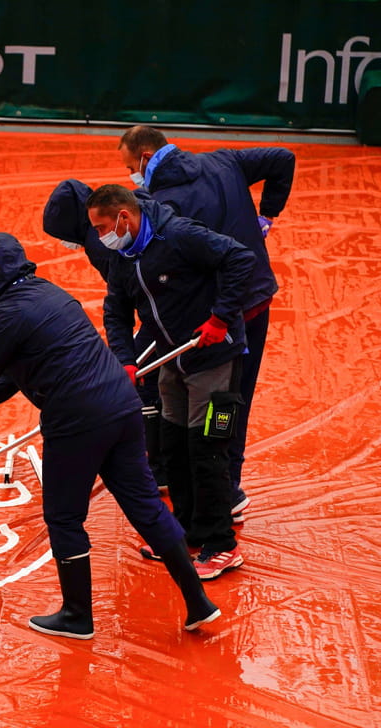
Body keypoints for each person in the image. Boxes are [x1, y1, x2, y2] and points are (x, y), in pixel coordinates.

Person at [0, 232, 219, 639]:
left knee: (64, 516)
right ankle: (198, 603)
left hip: (78, 421)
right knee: (146, 507)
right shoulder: (50, 294)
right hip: (121, 406)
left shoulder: (7, 316)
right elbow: (8, 377)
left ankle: (77, 615)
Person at [117, 126, 295, 522]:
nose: (132, 174)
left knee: (208, 406)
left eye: (131, 167)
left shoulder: (158, 204)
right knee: (232, 401)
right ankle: (224, 488)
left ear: (145, 156)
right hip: (252, 302)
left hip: (214, 319)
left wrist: (215, 315)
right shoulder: (223, 161)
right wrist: (268, 214)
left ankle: (217, 497)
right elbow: (283, 157)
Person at [87, 184, 255, 579]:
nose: (99, 236)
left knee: (208, 448)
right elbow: (116, 310)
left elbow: (240, 258)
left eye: (101, 227)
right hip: (171, 360)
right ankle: (187, 530)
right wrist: (124, 361)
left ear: (123, 218)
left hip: (213, 356)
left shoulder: (180, 235)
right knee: (174, 445)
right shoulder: (124, 257)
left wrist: (221, 317)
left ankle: (221, 544)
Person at [42, 179, 168, 492]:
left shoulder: (100, 244)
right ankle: (161, 455)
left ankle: (160, 465)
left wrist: (130, 349)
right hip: (157, 311)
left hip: (165, 316)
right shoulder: (103, 229)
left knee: (144, 381)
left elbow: (122, 293)